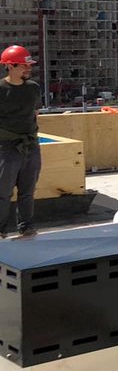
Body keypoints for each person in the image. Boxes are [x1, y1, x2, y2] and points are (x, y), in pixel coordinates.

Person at [0, 45, 43, 238]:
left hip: (30, 146)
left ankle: (26, 227)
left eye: (29, 66)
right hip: (6, 147)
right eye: (24, 66)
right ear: (10, 66)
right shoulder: (1, 90)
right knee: (3, 192)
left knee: (28, 191)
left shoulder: (33, 88)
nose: (28, 69)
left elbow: (34, 115)